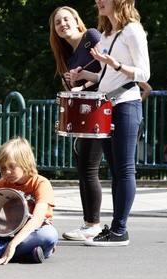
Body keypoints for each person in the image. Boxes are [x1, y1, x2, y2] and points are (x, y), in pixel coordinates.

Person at [70, 0, 150, 246]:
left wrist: (114, 63)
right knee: (115, 170)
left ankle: (120, 230)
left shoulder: (133, 30)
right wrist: (86, 75)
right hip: (107, 105)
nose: (97, 1)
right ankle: (116, 229)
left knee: (125, 169)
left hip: (127, 103)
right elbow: (106, 78)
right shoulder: (106, 34)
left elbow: (144, 74)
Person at [49, 6, 104, 241]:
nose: (63, 24)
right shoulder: (69, 56)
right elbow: (74, 93)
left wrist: (82, 82)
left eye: (66, 19)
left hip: (103, 112)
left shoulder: (91, 36)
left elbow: (107, 70)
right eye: (57, 23)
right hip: (86, 115)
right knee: (84, 170)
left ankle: (94, 225)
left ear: (76, 20)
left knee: (90, 170)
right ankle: (89, 223)